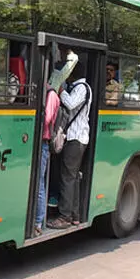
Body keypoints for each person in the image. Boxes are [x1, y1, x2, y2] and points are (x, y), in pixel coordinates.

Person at [35, 50, 78, 236]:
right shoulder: (41, 91)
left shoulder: (51, 95)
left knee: (39, 183)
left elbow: (45, 121)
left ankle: (38, 220)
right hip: (37, 144)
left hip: (44, 144)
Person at [47, 64, 91, 229]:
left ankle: (65, 217)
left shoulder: (82, 87)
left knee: (67, 177)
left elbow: (71, 104)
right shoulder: (76, 86)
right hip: (74, 138)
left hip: (76, 138)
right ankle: (74, 215)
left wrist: (59, 90)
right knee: (72, 177)